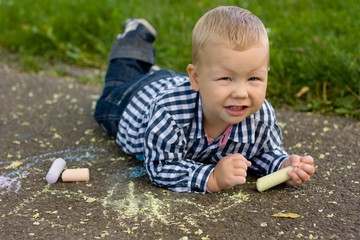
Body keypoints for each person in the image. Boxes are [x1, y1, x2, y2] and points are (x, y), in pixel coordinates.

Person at [94, 6, 315, 193]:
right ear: (196, 78)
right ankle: (134, 37)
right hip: (132, 101)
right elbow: (161, 167)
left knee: (143, 75)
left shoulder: (260, 115)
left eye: (254, 78)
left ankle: (152, 69)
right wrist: (212, 177)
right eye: (226, 78)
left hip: (178, 83)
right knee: (113, 90)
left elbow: (262, 152)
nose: (241, 92)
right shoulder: (169, 113)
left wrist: (283, 166)